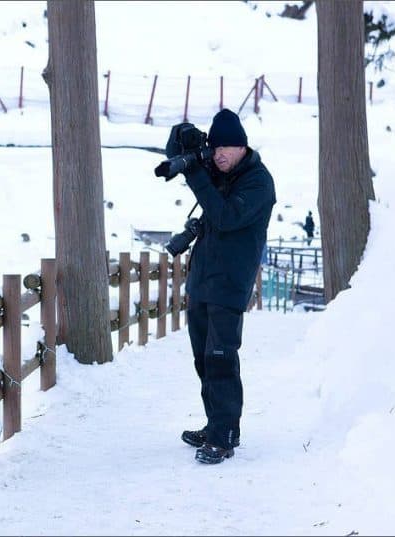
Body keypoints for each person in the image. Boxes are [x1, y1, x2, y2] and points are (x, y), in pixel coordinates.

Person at [165, 108, 276, 464]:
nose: (219, 154)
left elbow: (226, 217)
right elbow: (174, 155)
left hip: (230, 284)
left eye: (227, 146)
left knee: (221, 359)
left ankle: (225, 437)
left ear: (243, 146)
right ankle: (216, 424)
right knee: (203, 359)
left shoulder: (258, 181)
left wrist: (197, 173)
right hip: (202, 282)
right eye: (215, 148)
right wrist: (182, 136)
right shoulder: (218, 170)